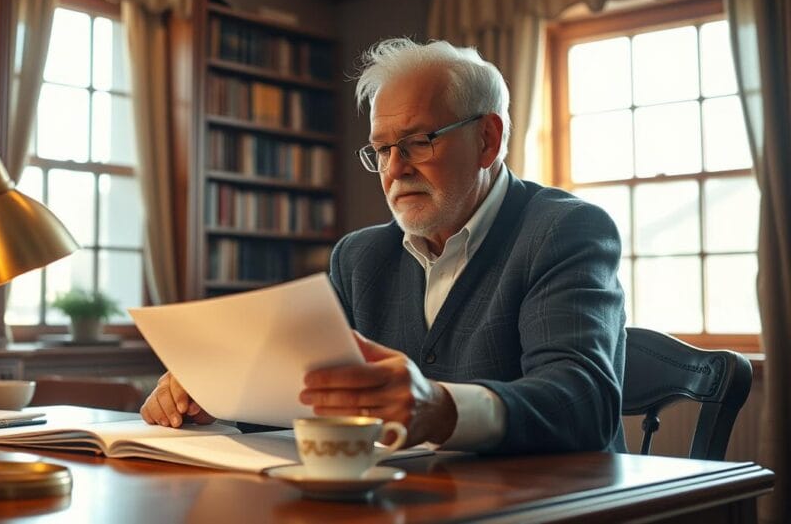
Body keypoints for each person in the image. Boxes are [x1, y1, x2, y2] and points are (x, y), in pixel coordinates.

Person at [140, 37, 627, 453]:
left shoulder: (565, 231)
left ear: (487, 139)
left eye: (418, 141)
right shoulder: (359, 257)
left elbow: (582, 402)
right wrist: (219, 391)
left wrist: (441, 409)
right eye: (382, 149)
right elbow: (309, 393)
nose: (395, 169)